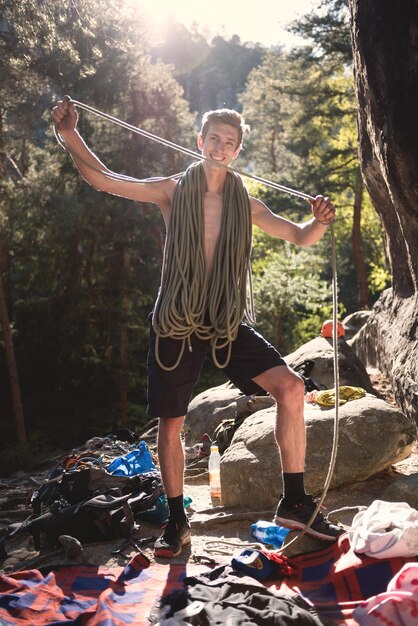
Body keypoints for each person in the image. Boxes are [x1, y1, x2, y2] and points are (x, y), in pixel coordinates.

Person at [52, 97, 343, 558]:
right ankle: (176, 521)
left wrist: (320, 221)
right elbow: (105, 180)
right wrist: (69, 134)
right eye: (214, 139)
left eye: (230, 142)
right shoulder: (172, 189)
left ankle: (294, 499)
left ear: (236, 150)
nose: (220, 147)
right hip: (177, 319)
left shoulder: (246, 202)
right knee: (172, 424)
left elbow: (300, 235)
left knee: (289, 387)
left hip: (225, 318)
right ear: (200, 141)